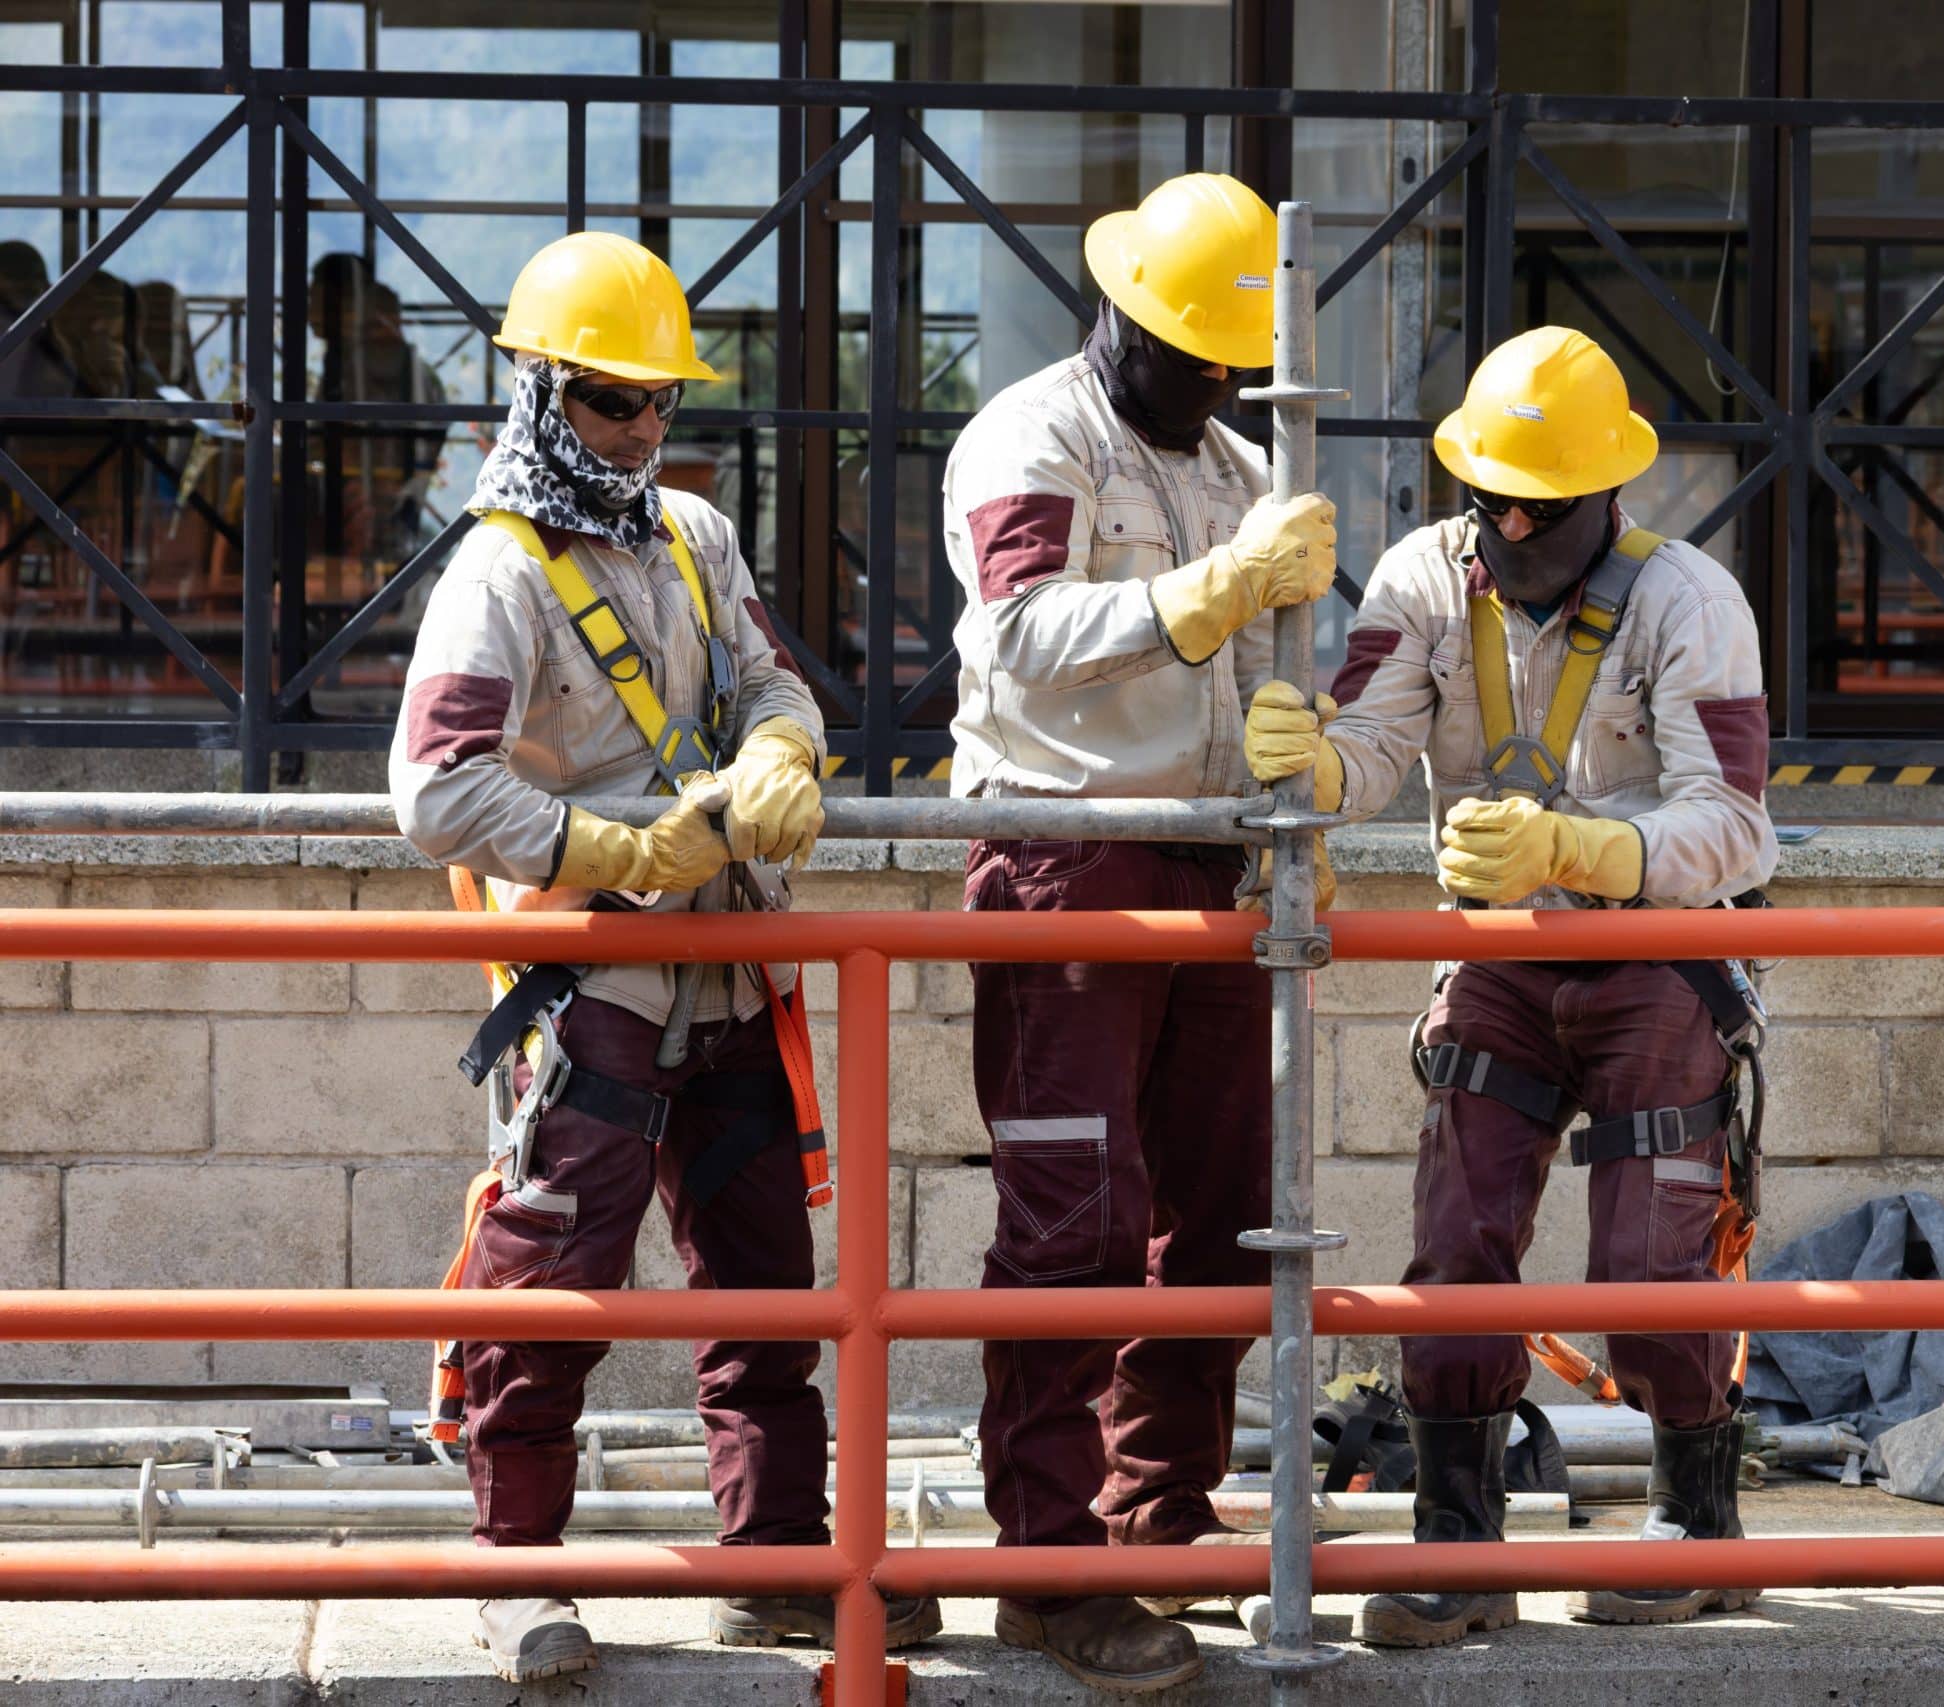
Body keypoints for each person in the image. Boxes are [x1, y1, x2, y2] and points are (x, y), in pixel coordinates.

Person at [389, 230, 932, 1681]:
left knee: (766, 1285)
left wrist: (779, 749)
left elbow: (773, 679)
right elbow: (436, 788)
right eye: (610, 402)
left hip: (728, 968)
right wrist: (618, 852)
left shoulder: (696, 537)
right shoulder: (494, 577)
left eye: (659, 406)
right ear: (540, 392)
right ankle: (516, 1573)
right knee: (552, 1289)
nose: (639, 431)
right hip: (597, 988)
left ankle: (778, 1560)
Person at [1244, 325, 1778, 1648]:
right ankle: (1457, 1546)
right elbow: (1374, 743)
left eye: (1533, 506)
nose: (1503, 524)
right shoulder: (1427, 580)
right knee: (1459, 1247)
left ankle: (1698, 1530)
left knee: (1648, 1262)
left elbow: (1737, 827)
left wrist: (1589, 850)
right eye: (1485, 494)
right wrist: (1316, 766)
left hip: (1659, 956)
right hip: (1496, 960)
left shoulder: (1690, 602)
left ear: (1607, 497)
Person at [933, 171, 1338, 1695]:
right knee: (1072, 1223)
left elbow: (1274, 675)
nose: (1213, 380)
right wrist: (1211, 594)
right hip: (1064, 858)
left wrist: (1314, 753)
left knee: (1223, 1212)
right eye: (1189, 350)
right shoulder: (1033, 437)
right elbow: (1020, 637)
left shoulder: (1239, 460)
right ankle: (1045, 1570)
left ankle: (1155, 1519)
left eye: (1232, 359)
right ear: (1118, 314)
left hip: (1208, 864)